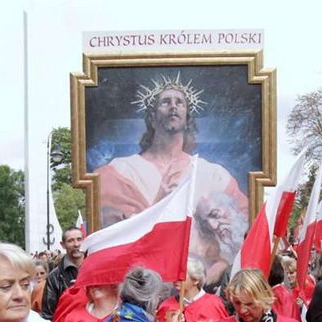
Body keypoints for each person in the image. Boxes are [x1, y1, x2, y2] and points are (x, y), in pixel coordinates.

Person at [94, 74, 248, 285]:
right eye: (165, 102)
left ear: (187, 117)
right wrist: (161, 200)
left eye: (179, 102)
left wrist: (211, 275)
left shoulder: (214, 175)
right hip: (144, 284)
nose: (173, 106)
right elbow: (115, 237)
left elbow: (238, 234)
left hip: (198, 287)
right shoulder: (120, 171)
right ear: (152, 116)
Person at [42, 227, 84, 319]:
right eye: (70, 241)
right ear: (63, 245)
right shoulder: (54, 277)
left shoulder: (95, 269)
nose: (76, 244)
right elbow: (48, 315)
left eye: (79, 239)